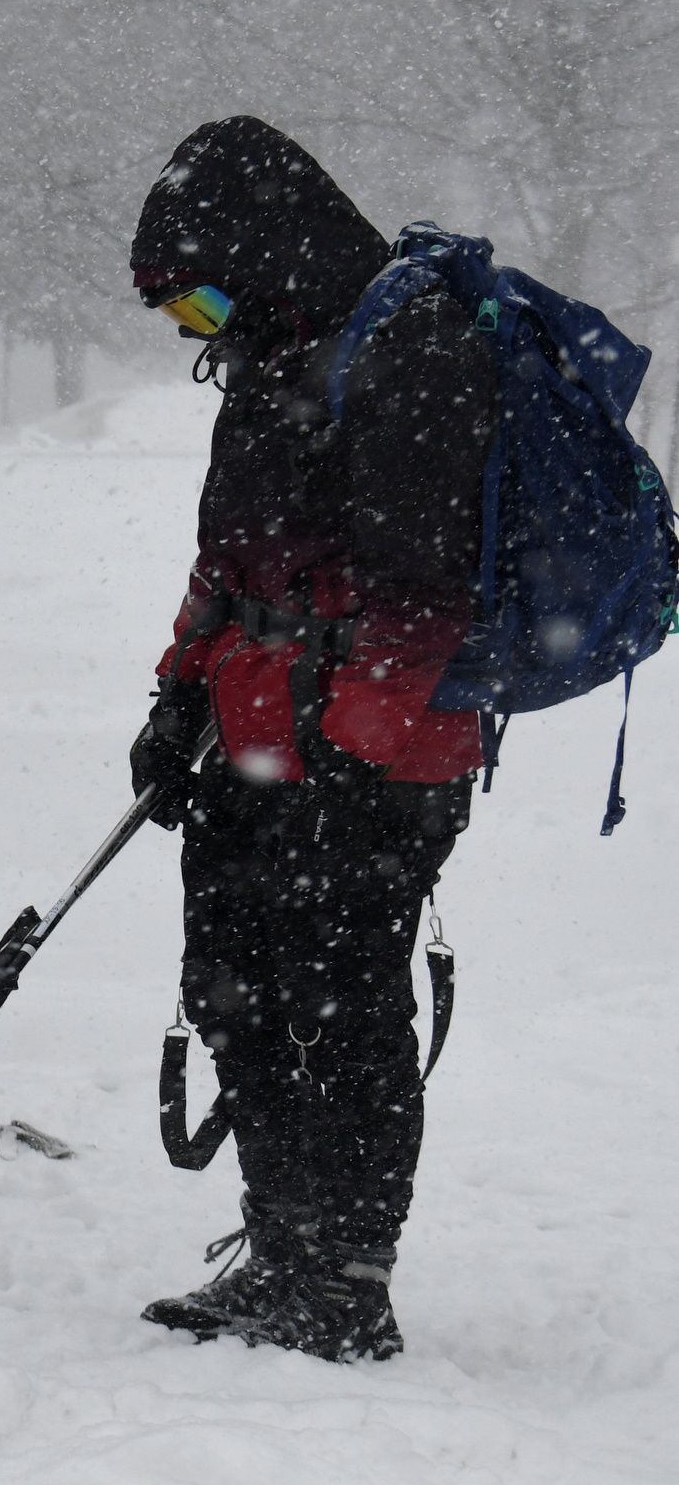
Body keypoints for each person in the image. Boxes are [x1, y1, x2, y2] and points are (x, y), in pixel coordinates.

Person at [123, 117, 495, 1363]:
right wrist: (177, 694)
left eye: (202, 292)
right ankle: (279, 1243)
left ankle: (344, 1275)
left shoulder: (409, 352)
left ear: (262, 249)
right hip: (257, 738)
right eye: (180, 310)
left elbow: (423, 598)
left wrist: (351, 753)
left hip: (373, 763)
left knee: (338, 1009)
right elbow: (224, 569)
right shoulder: (267, 361)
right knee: (231, 985)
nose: (197, 325)